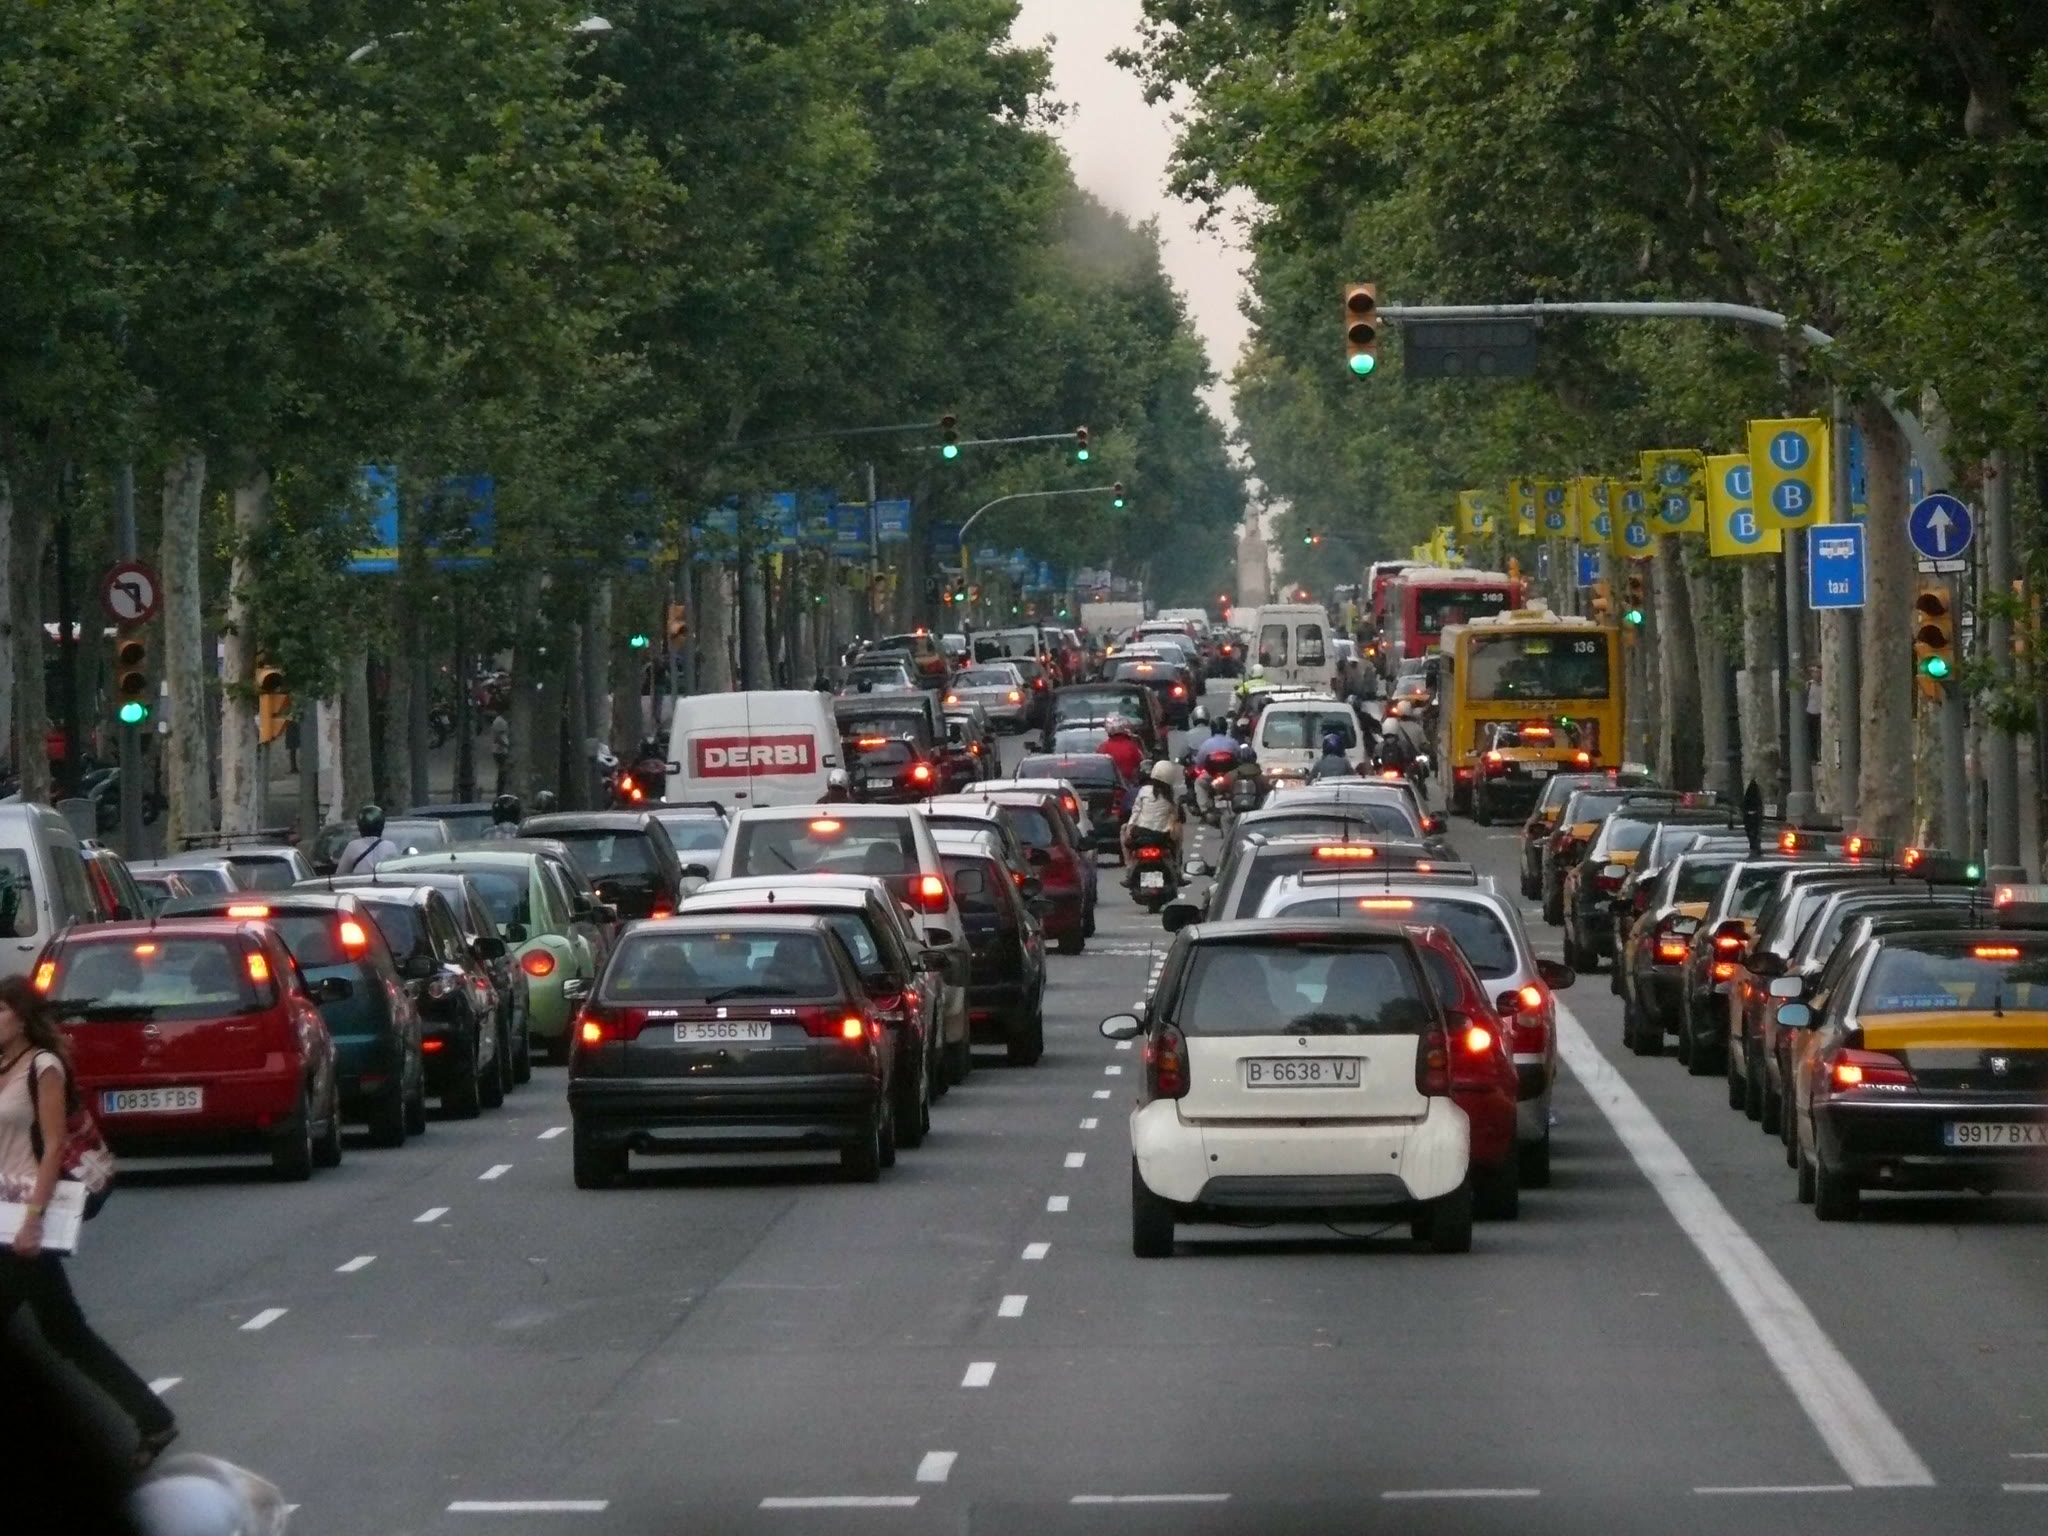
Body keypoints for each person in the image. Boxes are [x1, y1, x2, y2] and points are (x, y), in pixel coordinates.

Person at [0, 976, 178, 1471]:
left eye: (0, 1011)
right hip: (3, 1214)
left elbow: (54, 1147)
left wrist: (33, 1220)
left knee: (59, 1332)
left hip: (28, 1218)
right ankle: (152, 1418)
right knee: (65, 1332)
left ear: (23, 1018)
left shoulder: (44, 1066)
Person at [1121, 758, 1184, 884]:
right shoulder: (1172, 796)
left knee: (1123, 829)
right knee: (1179, 827)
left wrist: (1129, 828)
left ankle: (1128, 865)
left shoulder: (1144, 791)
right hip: (1163, 837)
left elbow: (1136, 812)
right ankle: (1177, 866)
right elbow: (1175, 817)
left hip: (1141, 834)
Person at [333, 805, 398, 875]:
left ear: (360, 827)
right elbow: (396, 872)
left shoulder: (353, 846)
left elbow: (341, 873)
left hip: (360, 882)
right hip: (384, 881)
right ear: (381, 827)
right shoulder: (390, 846)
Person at [1099, 720, 1144, 786]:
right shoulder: (1132, 746)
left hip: (1109, 783)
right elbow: (1139, 763)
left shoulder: (1103, 747)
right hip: (1129, 783)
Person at [489, 713, 511, 794]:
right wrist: (507, 745)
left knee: (502, 771)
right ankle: (500, 791)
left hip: (499, 750)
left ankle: (501, 790)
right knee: (503, 772)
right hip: (500, 750)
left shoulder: (500, 721)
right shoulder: (500, 722)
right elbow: (499, 736)